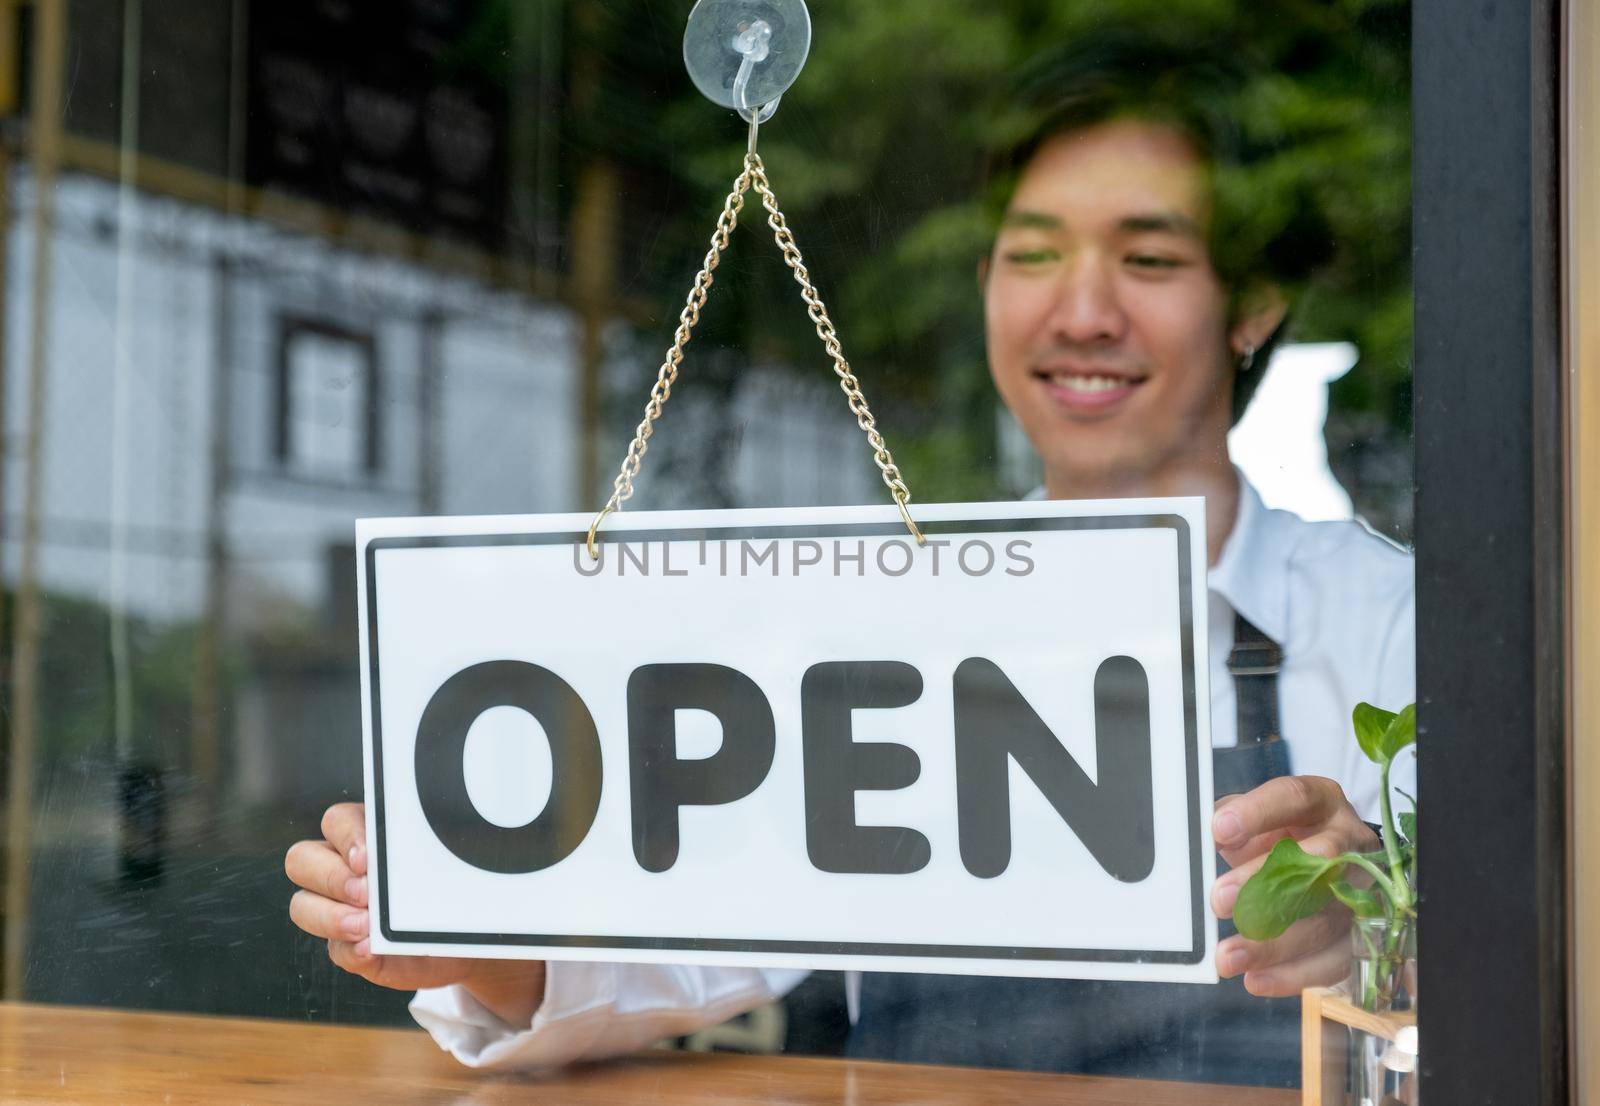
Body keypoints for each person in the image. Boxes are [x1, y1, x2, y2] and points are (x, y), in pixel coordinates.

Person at [285, 33, 1415, 1086]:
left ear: (1254, 301)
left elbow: (1545, 990)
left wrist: (1375, 923)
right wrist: (472, 938)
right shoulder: (890, 617)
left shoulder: (1388, 622)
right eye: (1032, 253)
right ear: (984, 284)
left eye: (1150, 256)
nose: (1082, 311)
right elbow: (686, 948)